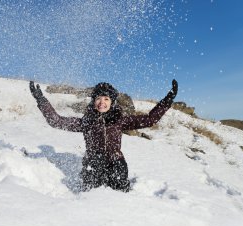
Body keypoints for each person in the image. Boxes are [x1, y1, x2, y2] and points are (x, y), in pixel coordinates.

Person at [30, 79, 178, 192]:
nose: (102, 102)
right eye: (98, 99)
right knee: (92, 197)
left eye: (106, 99)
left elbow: (150, 119)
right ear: (93, 101)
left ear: (112, 102)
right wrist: (41, 100)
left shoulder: (120, 120)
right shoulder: (86, 122)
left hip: (116, 162)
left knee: (120, 194)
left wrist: (168, 100)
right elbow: (56, 121)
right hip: (93, 163)